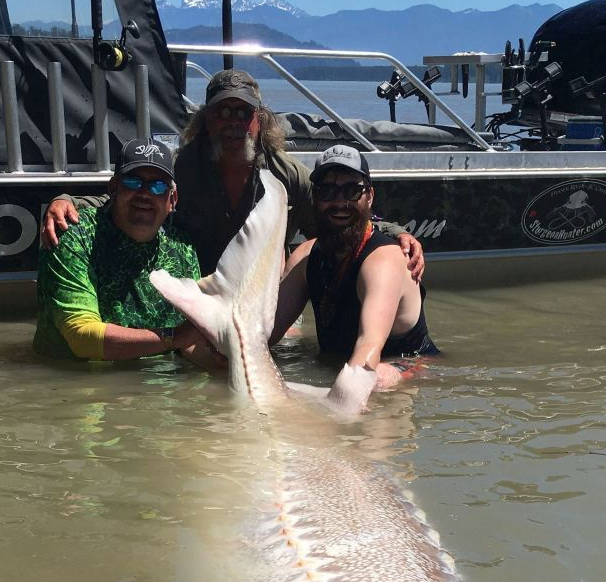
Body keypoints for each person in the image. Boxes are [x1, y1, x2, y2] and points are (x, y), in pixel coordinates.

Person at [40, 68, 424, 281]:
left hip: (266, 302)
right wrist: (67, 201)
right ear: (205, 120)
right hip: (200, 295)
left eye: (243, 112)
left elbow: (336, 218)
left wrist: (397, 233)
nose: (232, 122)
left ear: (259, 120)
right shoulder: (182, 168)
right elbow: (130, 200)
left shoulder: (285, 174)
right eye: (222, 112)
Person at [33, 139, 221, 365]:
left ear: (172, 200)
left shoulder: (181, 248)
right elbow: (81, 337)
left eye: (158, 186)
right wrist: (174, 338)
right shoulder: (73, 236)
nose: (145, 193)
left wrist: (216, 361)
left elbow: (188, 340)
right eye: (133, 182)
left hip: (156, 387)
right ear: (114, 188)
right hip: (73, 386)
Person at [272, 145, 439, 391]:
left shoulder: (383, 260)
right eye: (327, 191)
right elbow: (265, 331)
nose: (339, 202)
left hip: (409, 364)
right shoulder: (306, 256)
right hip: (337, 363)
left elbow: (368, 346)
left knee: (375, 378)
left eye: (352, 191)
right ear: (315, 198)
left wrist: (337, 408)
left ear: (369, 196)